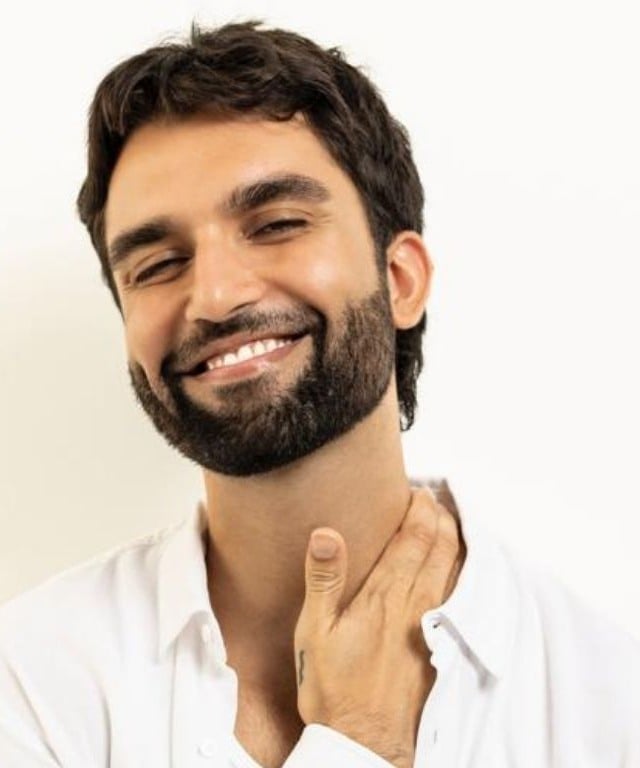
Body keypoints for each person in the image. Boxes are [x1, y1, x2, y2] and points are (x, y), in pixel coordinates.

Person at [0, 20, 638, 768]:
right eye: (158, 264)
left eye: (276, 224)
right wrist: (357, 739)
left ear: (401, 281)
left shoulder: (608, 697)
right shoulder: (32, 684)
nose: (215, 295)